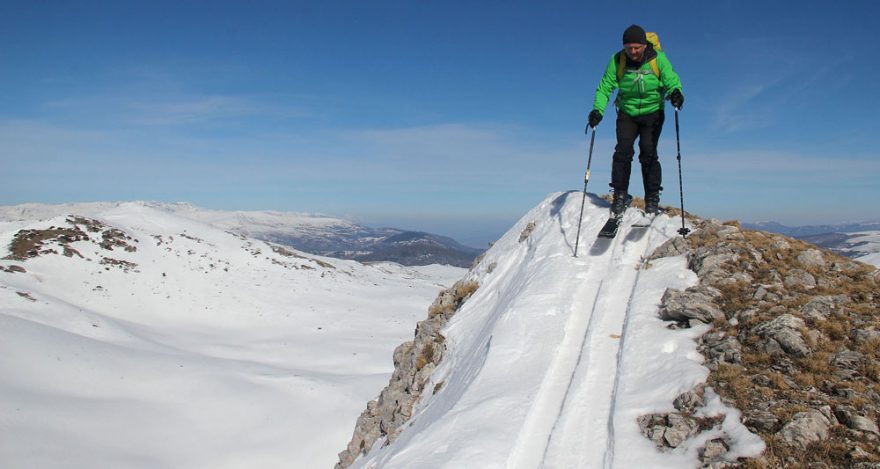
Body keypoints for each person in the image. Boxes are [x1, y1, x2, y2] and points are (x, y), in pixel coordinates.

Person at [587, 24, 684, 215]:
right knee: (623, 151)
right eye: (628, 48)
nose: (632, 52)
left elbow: (671, 78)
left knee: (648, 153)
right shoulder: (617, 60)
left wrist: (676, 92)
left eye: (636, 48)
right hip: (627, 112)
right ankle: (620, 195)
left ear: (644, 45)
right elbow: (605, 87)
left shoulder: (658, 58)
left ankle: (652, 198)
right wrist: (597, 110)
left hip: (653, 112)